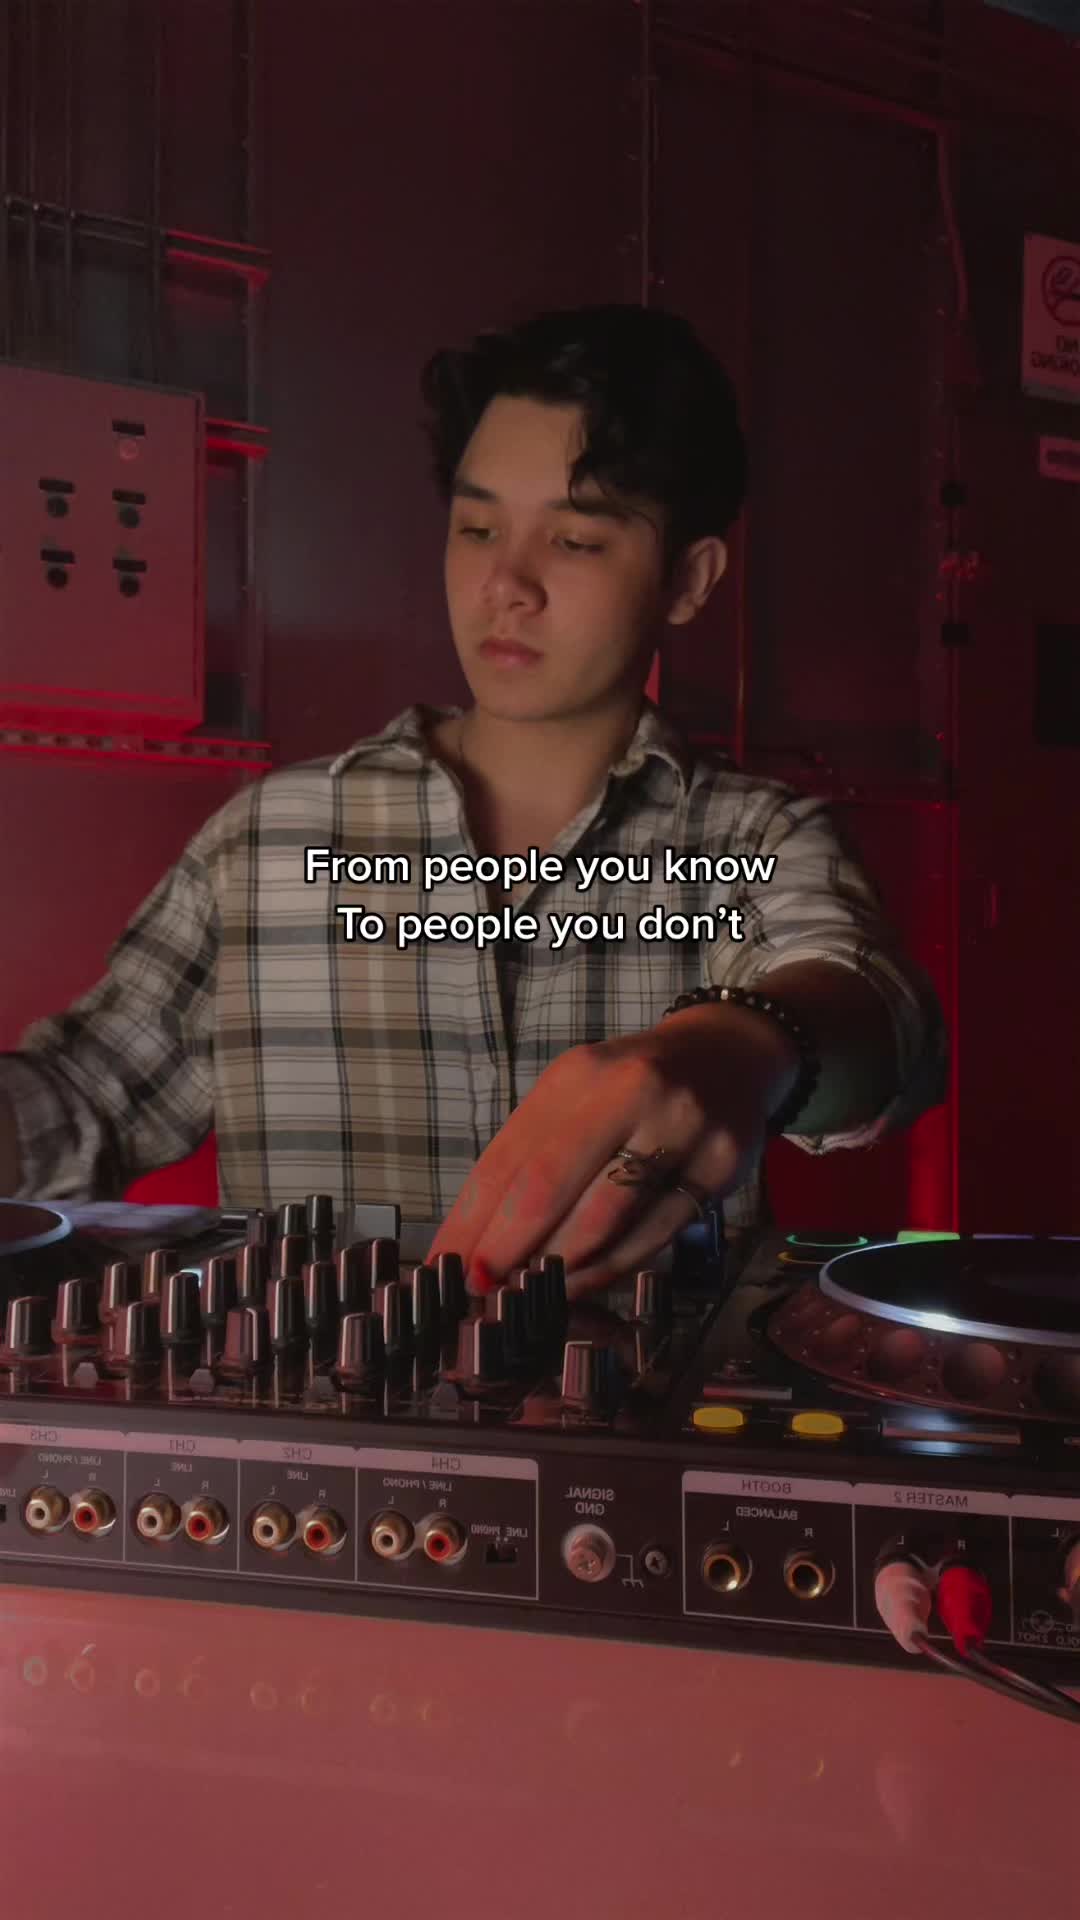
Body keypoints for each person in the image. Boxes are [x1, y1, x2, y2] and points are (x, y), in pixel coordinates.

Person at [0, 304, 947, 1299]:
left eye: (575, 539)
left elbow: (884, 1030)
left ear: (688, 578)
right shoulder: (266, 843)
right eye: (478, 527)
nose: (506, 584)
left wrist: (739, 1046)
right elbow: (87, 1096)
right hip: (323, 1396)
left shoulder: (754, 837)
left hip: (627, 1394)